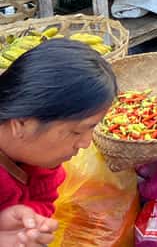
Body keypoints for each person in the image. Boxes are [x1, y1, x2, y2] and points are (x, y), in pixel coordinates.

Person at [0, 39, 117, 247]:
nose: (85, 143)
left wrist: (29, 222)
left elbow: (43, 201)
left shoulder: (39, 164)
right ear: (21, 123)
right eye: (76, 131)